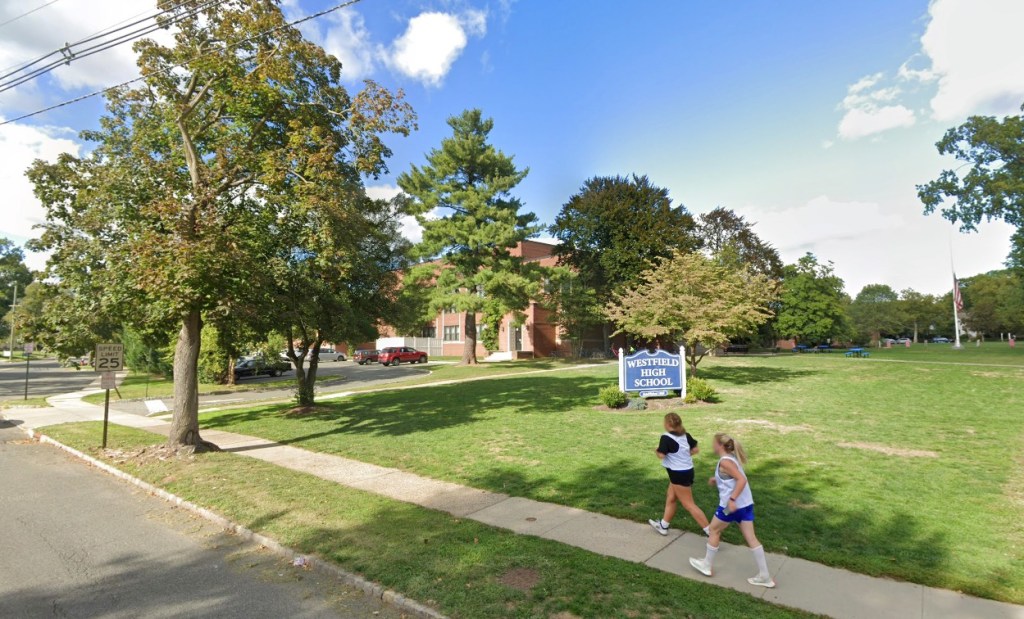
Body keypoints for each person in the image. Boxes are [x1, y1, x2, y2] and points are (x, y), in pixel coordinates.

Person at [689, 432, 775, 588]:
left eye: (714, 443)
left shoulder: (725, 463)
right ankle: (765, 576)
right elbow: (732, 477)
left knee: (714, 529)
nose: (712, 445)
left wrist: (732, 499)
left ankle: (706, 565)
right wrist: (717, 479)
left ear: (720, 445)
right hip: (746, 505)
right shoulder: (731, 459)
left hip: (731, 507)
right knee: (751, 538)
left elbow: (742, 479)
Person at [649, 413, 710, 537]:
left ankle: (711, 533)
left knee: (689, 504)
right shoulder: (685, 435)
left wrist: (656, 450)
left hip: (678, 474)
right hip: (687, 471)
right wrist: (682, 456)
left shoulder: (666, 438)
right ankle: (663, 526)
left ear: (666, 424)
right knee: (671, 497)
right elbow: (695, 450)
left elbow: (661, 455)